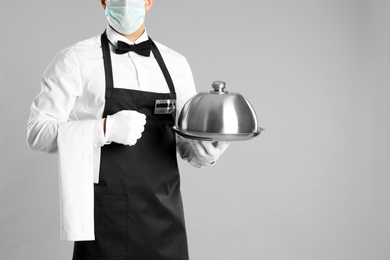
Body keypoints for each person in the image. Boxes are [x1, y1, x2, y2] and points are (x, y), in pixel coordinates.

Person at [26, 0, 229, 259]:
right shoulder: (75, 60)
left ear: (148, 1)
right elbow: (36, 131)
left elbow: (186, 144)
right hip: (105, 218)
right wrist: (105, 129)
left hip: (164, 216)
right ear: (103, 1)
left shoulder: (176, 64)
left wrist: (207, 152)